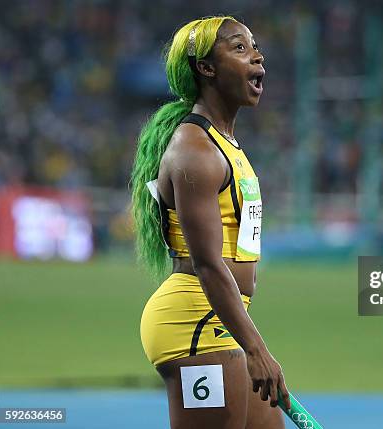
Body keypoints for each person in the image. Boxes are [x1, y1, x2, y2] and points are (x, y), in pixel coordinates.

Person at [131, 16, 290, 429]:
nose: (257, 56)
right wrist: (257, 350)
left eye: (255, 46)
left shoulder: (224, 143)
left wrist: (249, 341)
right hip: (192, 325)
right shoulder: (195, 149)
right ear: (206, 68)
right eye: (239, 48)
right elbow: (207, 264)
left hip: (220, 322)